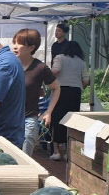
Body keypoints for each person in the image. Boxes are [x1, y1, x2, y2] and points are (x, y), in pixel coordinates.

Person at [11, 28, 60, 156]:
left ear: (31, 48)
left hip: (29, 118)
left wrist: (48, 112)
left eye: (20, 43)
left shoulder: (40, 68)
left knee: (25, 157)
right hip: (8, 119)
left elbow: (56, 88)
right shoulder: (8, 65)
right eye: (14, 42)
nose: (15, 47)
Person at [50, 24, 89, 161]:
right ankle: (67, 152)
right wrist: (79, 86)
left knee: (56, 119)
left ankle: (56, 152)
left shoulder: (59, 57)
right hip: (75, 93)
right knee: (70, 121)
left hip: (60, 92)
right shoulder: (81, 62)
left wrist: (49, 79)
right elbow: (86, 80)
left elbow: (55, 71)